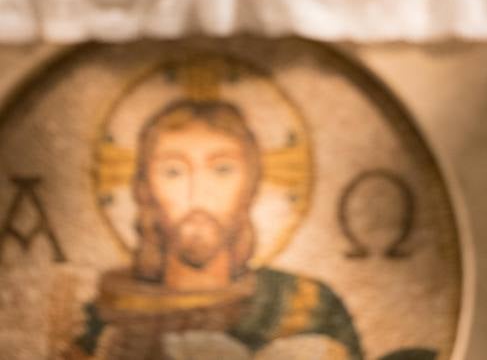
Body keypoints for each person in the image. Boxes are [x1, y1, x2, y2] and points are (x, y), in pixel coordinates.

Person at [68, 99, 364, 359]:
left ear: (250, 186)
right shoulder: (102, 319)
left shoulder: (306, 306)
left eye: (222, 169)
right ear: (145, 189)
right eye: (173, 171)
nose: (198, 193)